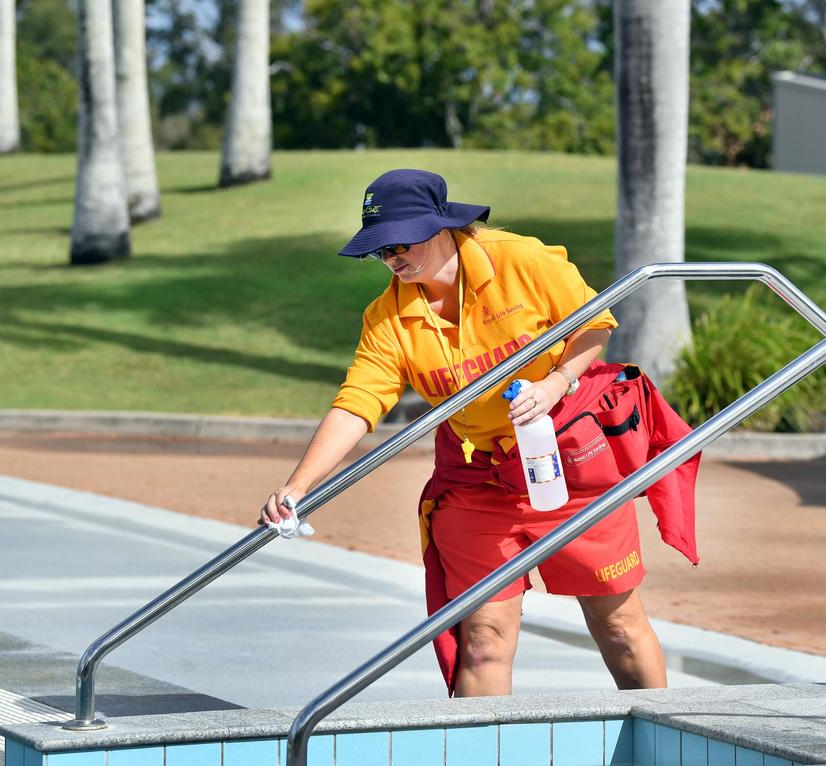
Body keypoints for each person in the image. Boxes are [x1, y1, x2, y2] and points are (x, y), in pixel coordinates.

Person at [260, 168, 693, 697]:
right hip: (479, 481)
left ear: (440, 225)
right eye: (379, 250)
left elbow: (594, 322)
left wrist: (556, 382)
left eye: (400, 243)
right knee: (484, 640)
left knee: (619, 629)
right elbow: (359, 403)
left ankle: (663, 738)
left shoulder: (520, 259)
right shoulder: (388, 318)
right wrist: (298, 485)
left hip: (568, 466)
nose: (391, 258)